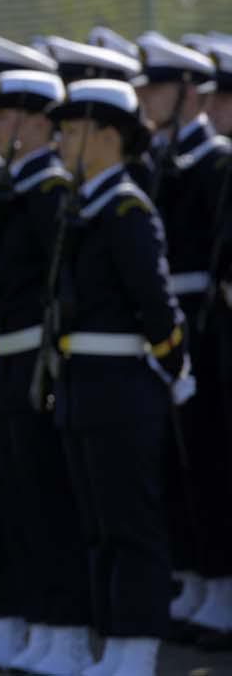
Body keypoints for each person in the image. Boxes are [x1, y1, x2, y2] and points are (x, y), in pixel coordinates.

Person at [47, 78, 193, 675]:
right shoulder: (83, 204)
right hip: (85, 384)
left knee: (130, 523)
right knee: (98, 524)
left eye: (75, 131)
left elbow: (157, 306)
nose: (63, 143)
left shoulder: (127, 209)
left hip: (122, 386)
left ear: (109, 137)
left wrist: (173, 365)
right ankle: (110, 642)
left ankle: (136, 650)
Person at [0, 40, 96, 673]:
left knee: (42, 501)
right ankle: (29, 621)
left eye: (9, 115)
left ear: (42, 121)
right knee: (8, 498)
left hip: (33, 364)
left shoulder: (50, 192)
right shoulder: (16, 187)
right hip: (2, 361)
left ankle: (64, 627)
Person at [134, 33, 232, 641]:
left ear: (186, 94)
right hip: (182, 318)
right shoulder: (165, 159)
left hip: (206, 319)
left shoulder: (214, 161)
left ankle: (218, 581)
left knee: (210, 454)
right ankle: (199, 577)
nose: (145, 96)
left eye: (157, 86)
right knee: (181, 460)